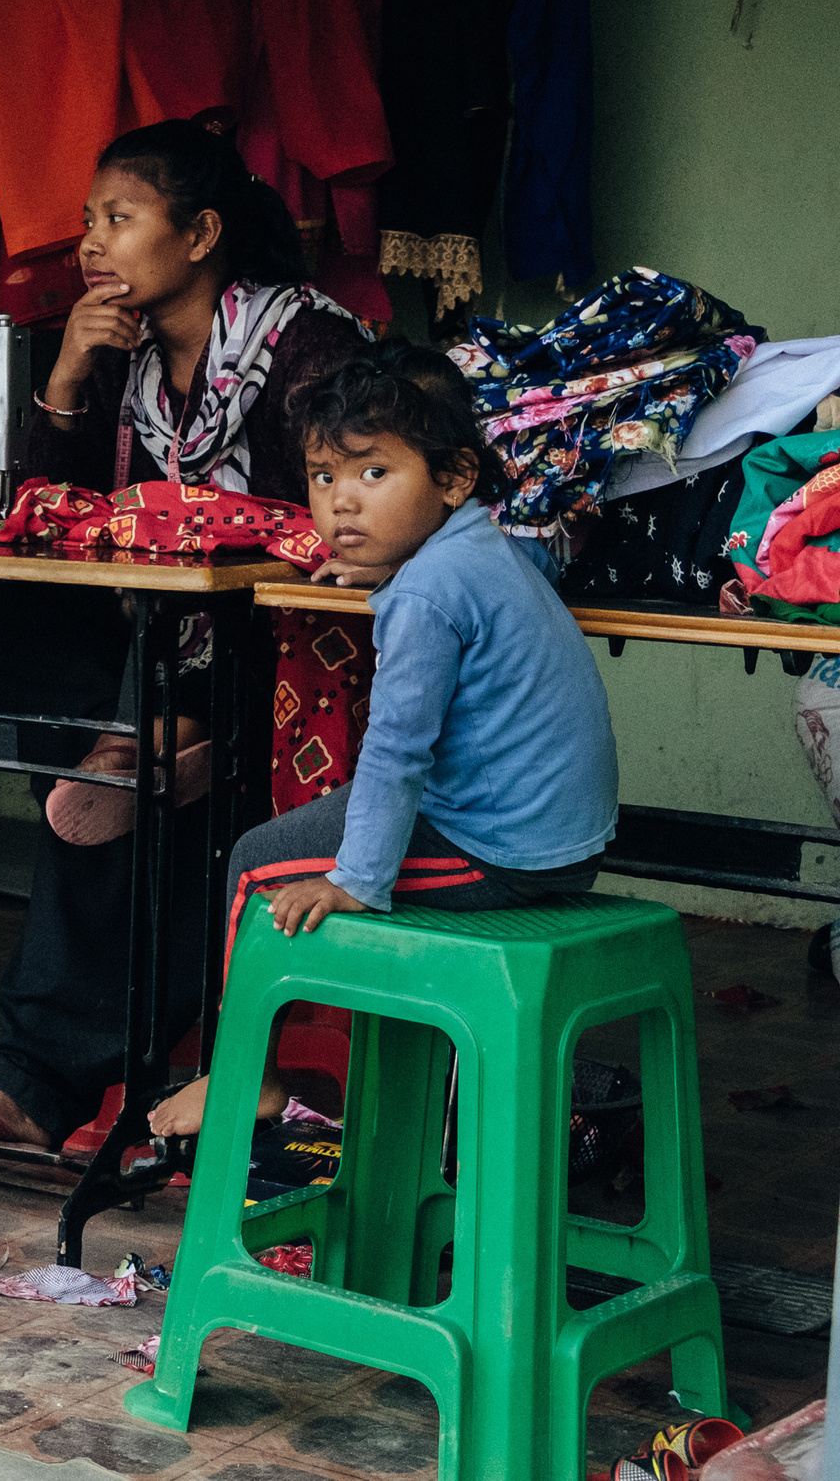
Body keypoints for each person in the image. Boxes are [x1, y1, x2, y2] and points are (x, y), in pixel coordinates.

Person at [0, 117, 377, 1147]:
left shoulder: (306, 345)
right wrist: (64, 376)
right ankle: (123, 749)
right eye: (87, 221)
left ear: (200, 234)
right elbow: (41, 517)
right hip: (160, 643)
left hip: (290, 645)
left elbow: (344, 520)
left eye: (118, 218)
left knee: (124, 791)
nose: (90, 243)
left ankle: (29, 1074)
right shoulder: (127, 356)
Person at [145, 344, 616, 1138]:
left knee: (254, 865)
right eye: (324, 476)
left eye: (373, 473)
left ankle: (243, 1072)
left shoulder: (427, 592)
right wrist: (398, 570)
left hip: (502, 851)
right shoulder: (477, 547)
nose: (343, 502)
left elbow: (396, 752)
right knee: (308, 834)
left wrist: (358, 880)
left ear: (454, 477)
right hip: (561, 836)